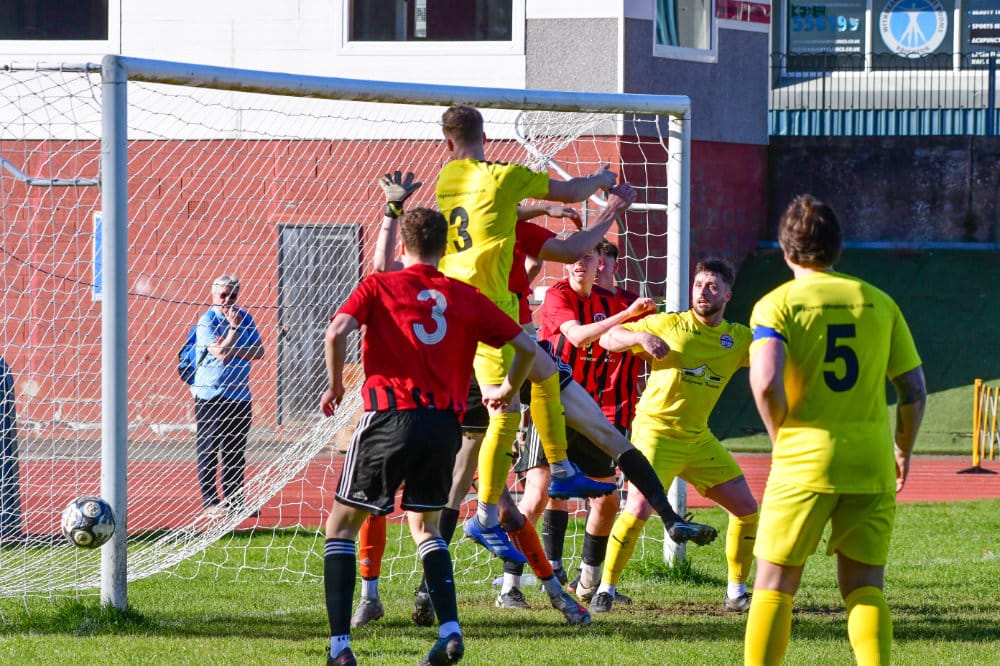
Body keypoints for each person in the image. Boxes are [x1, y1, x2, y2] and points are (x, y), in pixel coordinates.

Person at [435, 105, 716, 563]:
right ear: (485, 137)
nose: (589, 264)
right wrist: (604, 187)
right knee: (492, 449)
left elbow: (563, 244)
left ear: (448, 144)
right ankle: (485, 539)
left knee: (560, 399)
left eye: (596, 261)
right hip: (493, 332)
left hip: (493, 330)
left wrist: (548, 208)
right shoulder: (510, 194)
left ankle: (659, 515)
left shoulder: (455, 185)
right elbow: (571, 252)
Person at [350, 173, 590, 631]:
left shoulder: (453, 284)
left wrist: (391, 212)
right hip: (448, 401)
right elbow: (524, 340)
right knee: (438, 506)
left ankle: (548, 595)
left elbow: (376, 273)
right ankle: (392, 597)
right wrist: (552, 207)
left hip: (456, 401)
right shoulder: (460, 282)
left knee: (437, 506)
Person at [318, 205, 538, 666]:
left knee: (340, 527)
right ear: (446, 248)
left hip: (388, 417)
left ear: (403, 246)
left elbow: (336, 331)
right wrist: (506, 389)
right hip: (442, 427)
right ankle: (449, 632)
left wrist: (336, 386)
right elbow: (526, 347)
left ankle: (340, 648)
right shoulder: (465, 295)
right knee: (426, 527)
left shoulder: (379, 284)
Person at [744, 195, 926, 666]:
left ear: (786, 250)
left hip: (803, 461)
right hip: (870, 462)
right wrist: (902, 449)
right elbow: (913, 389)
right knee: (865, 586)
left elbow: (764, 381)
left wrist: (780, 435)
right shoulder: (879, 302)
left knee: (773, 585)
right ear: (837, 247)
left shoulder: (776, 305)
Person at [594, 259, 759, 613]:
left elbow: (774, 351)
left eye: (712, 286)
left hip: (698, 439)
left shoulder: (737, 338)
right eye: (698, 285)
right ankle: (605, 590)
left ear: (727, 295)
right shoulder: (669, 323)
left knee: (747, 509)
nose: (703, 292)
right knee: (638, 508)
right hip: (655, 432)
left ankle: (736, 593)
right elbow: (608, 337)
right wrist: (640, 336)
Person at [506, 242, 654, 608]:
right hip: (554, 406)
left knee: (606, 497)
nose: (589, 267)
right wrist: (629, 322)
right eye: (576, 258)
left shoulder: (626, 301)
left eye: (593, 259)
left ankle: (588, 581)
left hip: (603, 411)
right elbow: (578, 336)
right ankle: (512, 584)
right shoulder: (560, 295)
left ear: (607, 263)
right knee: (539, 492)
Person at [192, 274, 264, 518]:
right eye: (223, 295)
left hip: (240, 395)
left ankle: (235, 501)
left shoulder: (246, 318)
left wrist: (232, 347)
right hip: (211, 395)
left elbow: (259, 351)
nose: (228, 300)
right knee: (210, 449)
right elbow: (221, 354)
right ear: (213, 295)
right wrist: (233, 331)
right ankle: (210, 501)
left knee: (235, 451)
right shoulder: (207, 321)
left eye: (233, 295)